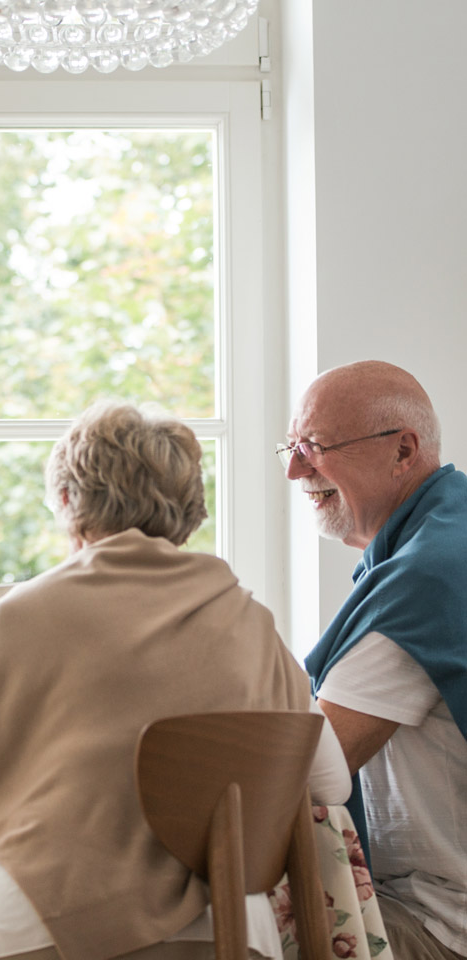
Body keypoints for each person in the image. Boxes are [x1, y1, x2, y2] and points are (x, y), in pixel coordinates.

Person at [0, 401, 350, 960]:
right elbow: (331, 786)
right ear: (192, 509)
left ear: (67, 500)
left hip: (34, 929)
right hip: (229, 932)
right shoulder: (253, 624)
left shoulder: (20, 618)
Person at [283, 360, 467, 960]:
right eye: (290, 447)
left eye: (313, 446)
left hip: (438, 924)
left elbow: (302, 773)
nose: (293, 469)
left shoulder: (429, 576)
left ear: (403, 450)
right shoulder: (442, 539)